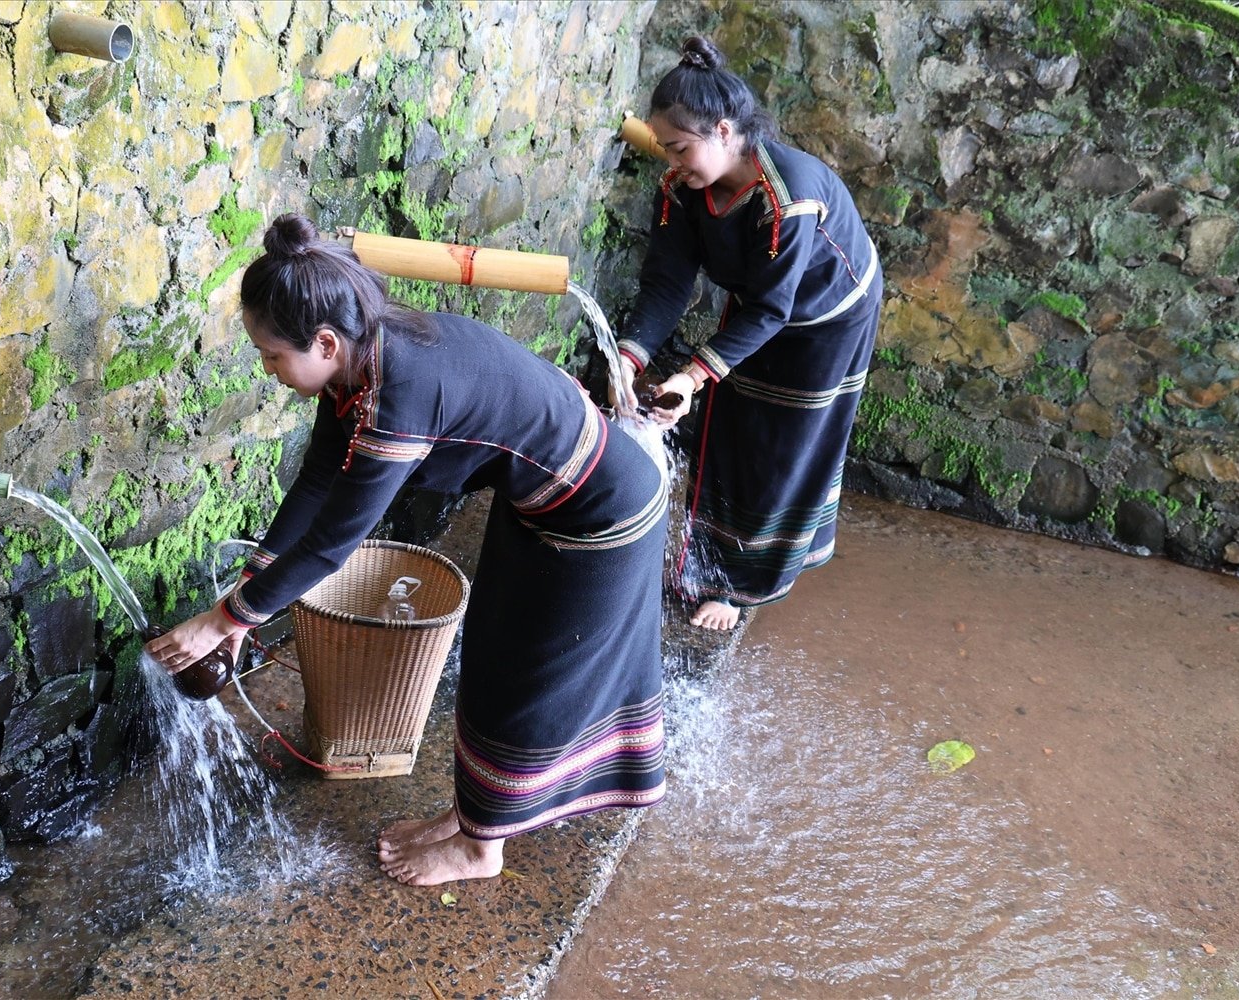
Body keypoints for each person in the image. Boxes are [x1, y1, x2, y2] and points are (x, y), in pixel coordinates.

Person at [146, 213, 669, 886]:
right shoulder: (362, 363)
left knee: (530, 682)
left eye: (273, 356)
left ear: (325, 342)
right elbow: (315, 486)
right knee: (490, 656)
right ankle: (472, 816)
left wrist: (229, 618)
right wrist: (246, 595)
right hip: (543, 505)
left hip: (603, 519)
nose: (270, 369)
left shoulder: (399, 394)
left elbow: (334, 542)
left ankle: (484, 850)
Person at [617, 35, 882, 632]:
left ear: (725, 132)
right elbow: (665, 285)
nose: (672, 162)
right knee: (727, 428)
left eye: (681, 148)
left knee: (778, 447)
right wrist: (629, 358)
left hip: (827, 322)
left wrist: (690, 376)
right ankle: (705, 565)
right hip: (764, 305)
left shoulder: (786, 200)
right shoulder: (684, 191)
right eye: (665, 149)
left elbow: (770, 310)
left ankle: (745, 587)